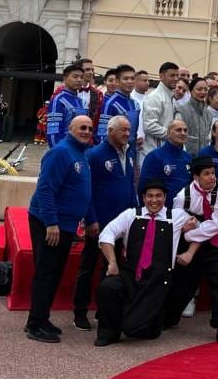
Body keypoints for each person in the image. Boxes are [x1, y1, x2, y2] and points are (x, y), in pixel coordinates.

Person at [94, 178, 191, 346]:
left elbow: (203, 229)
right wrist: (112, 262)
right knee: (108, 286)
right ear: (143, 198)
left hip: (158, 280)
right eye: (150, 196)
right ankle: (108, 333)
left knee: (134, 329)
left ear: (165, 197)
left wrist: (190, 251)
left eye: (159, 196)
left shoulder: (176, 216)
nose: (154, 200)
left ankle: (152, 321)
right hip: (131, 274)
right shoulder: (131, 214)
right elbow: (106, 234)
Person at [25, 115, 94, 342]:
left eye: (90, 128)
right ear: (70, 129)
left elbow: (84, 190)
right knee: (46, 272)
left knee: (55, 273)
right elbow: (45, 188)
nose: (86, 131)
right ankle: (35, 323)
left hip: (66, 225)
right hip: (50, 224)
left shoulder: (81, 153)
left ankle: (42, 318)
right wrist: (51, 222)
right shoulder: (61, 152)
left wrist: (89, 218)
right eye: (82, 127)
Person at [163, 156, 218, 347]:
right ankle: (169, 317)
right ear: (196, 176)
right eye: (206, 174)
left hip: (214, 243)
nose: (212, 177)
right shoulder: (182, 197)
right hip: (190, 247)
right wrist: (187, 238)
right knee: (182, 285)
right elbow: (179, 226)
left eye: (213, 173)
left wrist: (192, 234)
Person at [73, 115, 138, 332]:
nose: (127, 134)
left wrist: (134, 213)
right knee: (88, 267)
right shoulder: (94, 155)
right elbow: (87, 190)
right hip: (99, 223)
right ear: (111, 131)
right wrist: (91, 219)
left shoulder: (129, 152)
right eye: (123, 130)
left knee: (111, 267)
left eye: (129, 130)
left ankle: (104, 309)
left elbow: (130, 185)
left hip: (121, 224)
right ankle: (80, 312)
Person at [139, 120, 192, 207]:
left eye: (185, 130)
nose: (183, 133)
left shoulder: (188, 158)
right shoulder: (154, 156)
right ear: (168, 133)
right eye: (178, 130)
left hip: (185, 212)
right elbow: (143, 187)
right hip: (162, 213)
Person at [140, 62, 180, 158]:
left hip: (169, 150)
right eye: (172, 75)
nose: (175, 79)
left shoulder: (172, 98)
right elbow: (149, 126)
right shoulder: (154, 97)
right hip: (154, 152)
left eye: (177, 75)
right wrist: (172, 135)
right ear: (161, 76)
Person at [98, 64, 140, 147]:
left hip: (131, 150)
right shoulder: (110, 104)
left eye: (132, 78)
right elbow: (103, 134)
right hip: (115, 149)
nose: (130, 81)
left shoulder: (135, 103)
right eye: (126, 79)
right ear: (117, 81)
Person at [46, 65, 88, 148]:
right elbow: (53, 132)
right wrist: (58, 152)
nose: (79, 80)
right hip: (63, 149)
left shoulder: (80, 101)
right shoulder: (58, 100)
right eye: (75, 77)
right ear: (65, 79)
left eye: (81, 77)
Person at [178, 77, 214, 156]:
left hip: (203, 158)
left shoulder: (208, 113)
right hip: (185, 157)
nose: (203, 92)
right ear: (191, 91)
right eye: (199, 89)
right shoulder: (181, 110)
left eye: (205, 89)